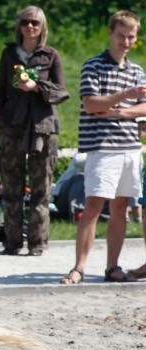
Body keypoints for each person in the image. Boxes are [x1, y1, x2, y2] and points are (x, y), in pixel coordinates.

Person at [60, 11, 146, 284]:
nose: (126, 41)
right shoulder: (93, 65)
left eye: (131, 36)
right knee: (93, 206)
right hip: (101, 146)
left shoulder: (137, 70)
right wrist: (125, 97)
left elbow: (143, 107)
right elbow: (91, 104)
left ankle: (112, 267)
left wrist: (121, 111)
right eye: (121, 35)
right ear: (110, 33)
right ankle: (79, 267)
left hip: (131, 147)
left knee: (121, 208)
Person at [0, 6, 68, 257]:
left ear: (42, 26)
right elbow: (1, 90)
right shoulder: (9, 54)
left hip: (42, 128)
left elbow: (60, 92)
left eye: (35, 22)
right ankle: (12, 243)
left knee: (41, 190)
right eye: (25, 21)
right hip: (12, 127)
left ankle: (37, 244)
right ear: (19, 26)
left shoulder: (51, 55)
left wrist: (36, 87)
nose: (30, 26)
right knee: (11, 189)